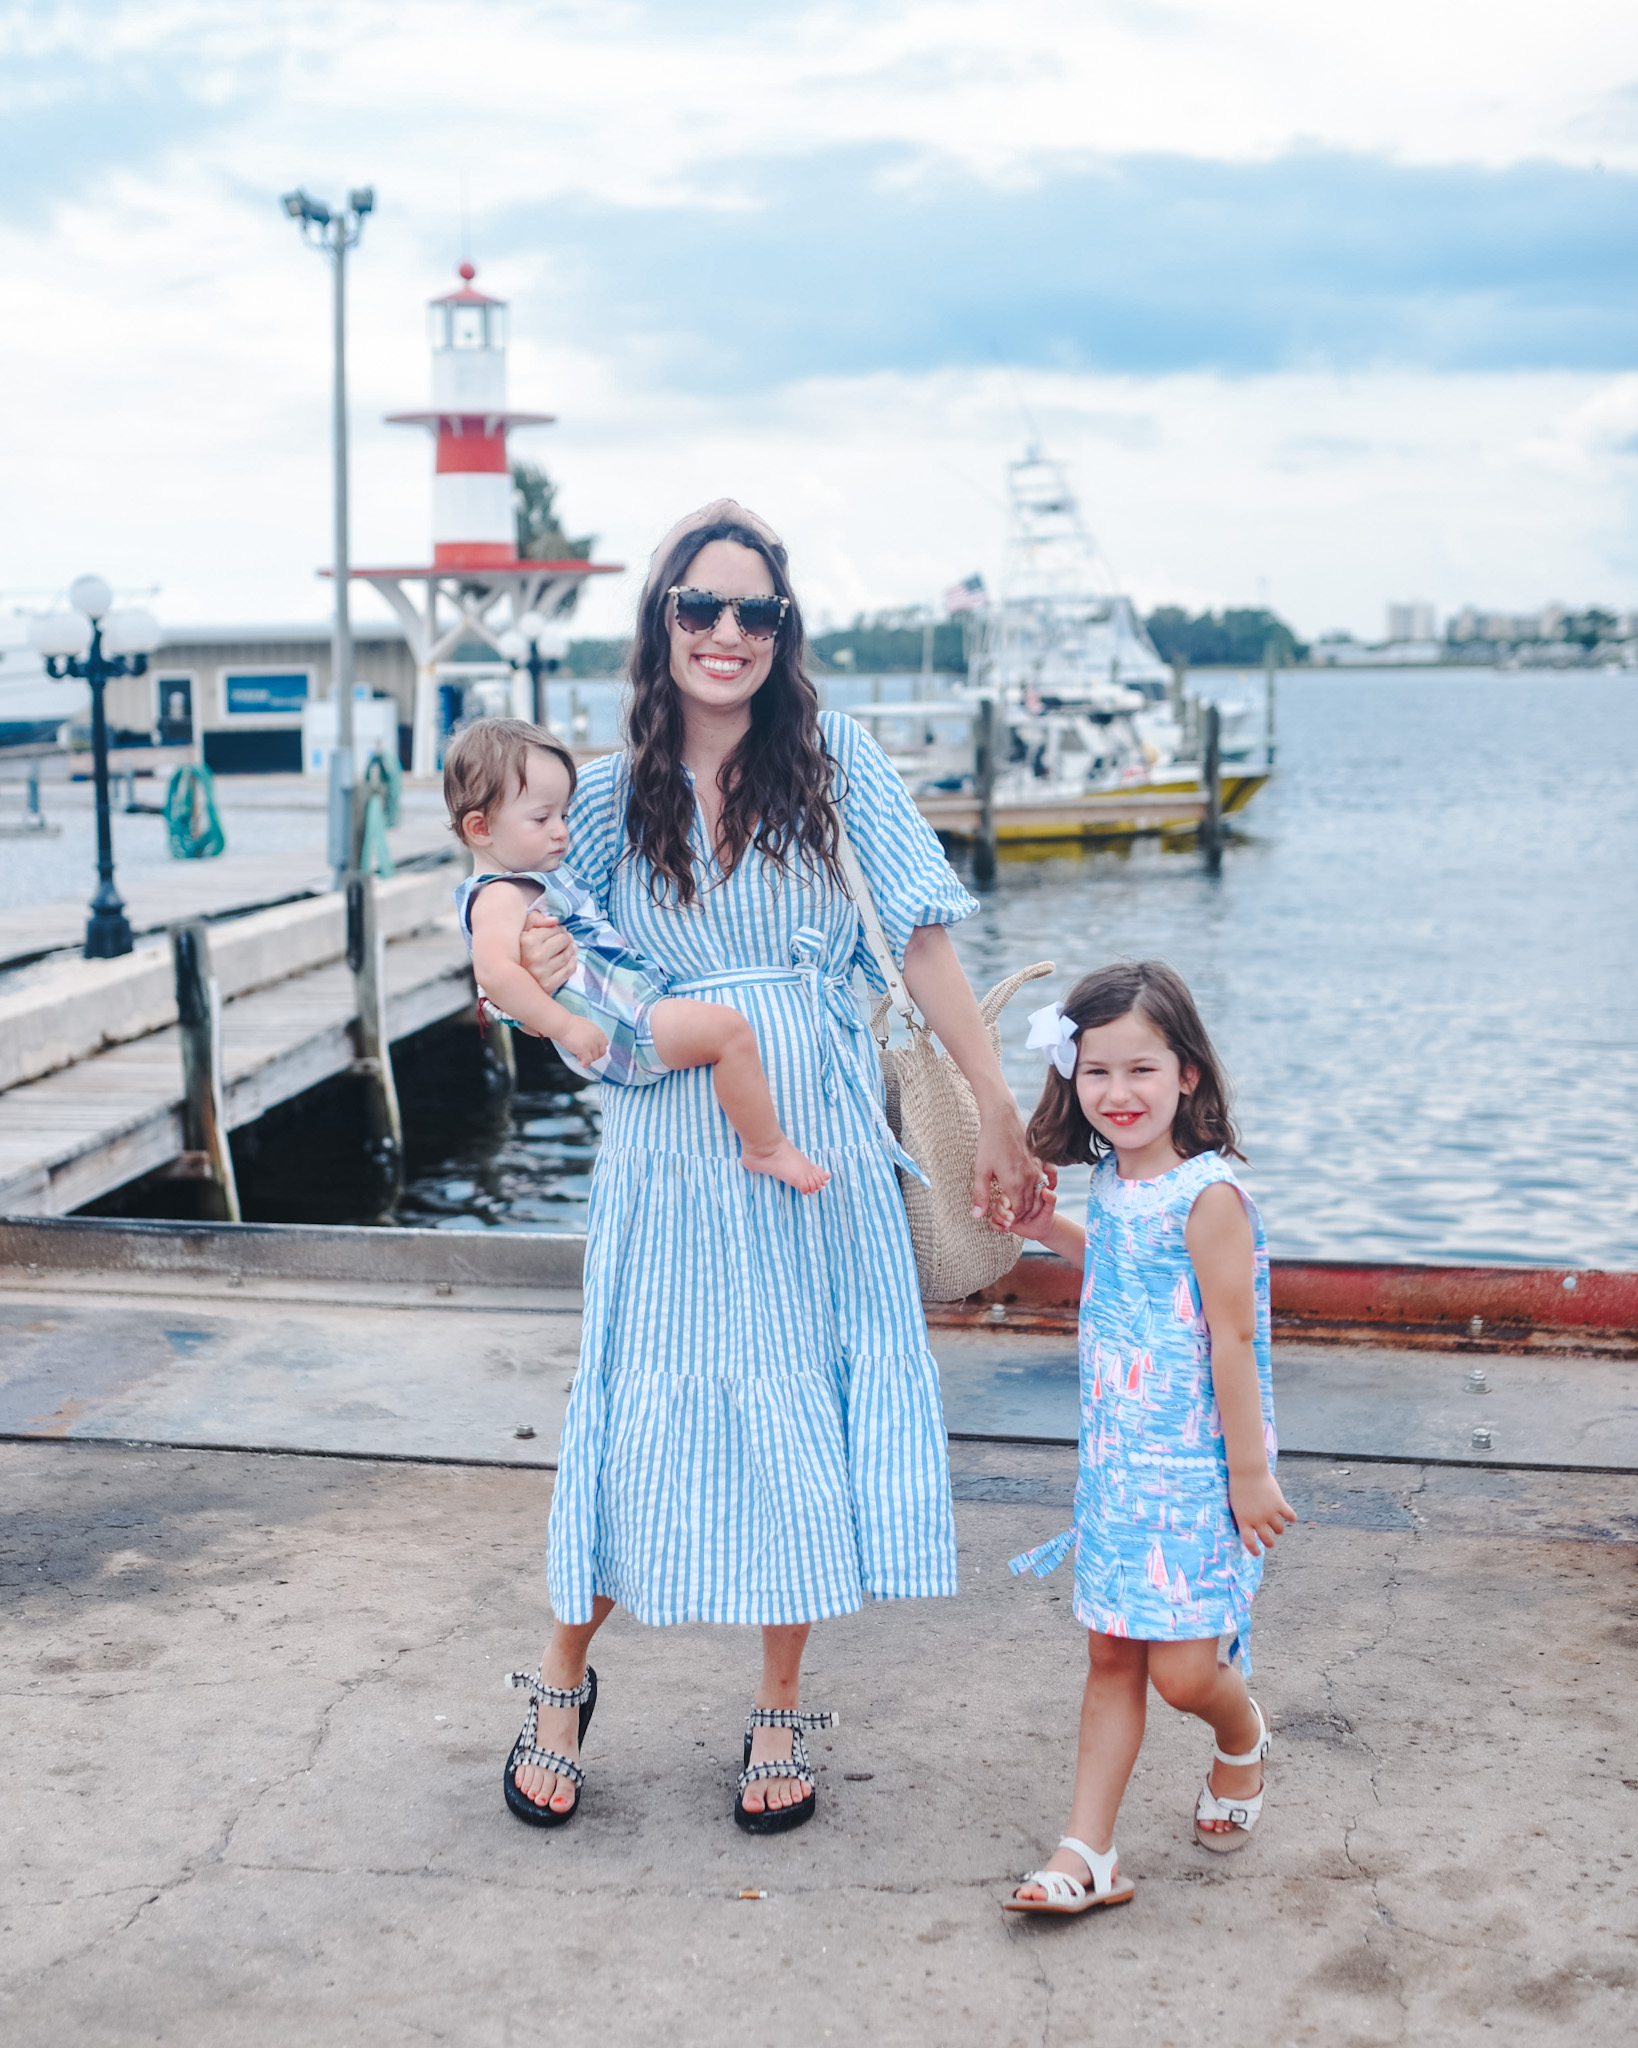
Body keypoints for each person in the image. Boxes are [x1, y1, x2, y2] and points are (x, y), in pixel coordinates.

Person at [499, 499, 1042, 1833]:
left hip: (817, 1124)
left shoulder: (837, 759)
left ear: (782, 632)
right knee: (640, 1401)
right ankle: (563, 1682)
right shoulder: (610, 792)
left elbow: (918, 944)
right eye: (700, 608)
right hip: (671, 1128)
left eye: (754, 612)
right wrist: (555, 991)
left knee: (803, 1397)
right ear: (662, 624)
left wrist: (995, 1104)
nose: (725, 634)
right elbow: (528, 928)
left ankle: (781, 1703)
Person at [998, 960, 1295, 1915]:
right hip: (1119, 1467)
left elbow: (1234, 1336)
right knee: (1113, 1657)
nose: (1119, 1095)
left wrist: (1247, 1476)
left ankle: (1241, 1736)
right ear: (1071, 1079)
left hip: (1200, 1472)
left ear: (1188, 1077)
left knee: (1183, 1674)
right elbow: (1123, 1263)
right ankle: (1087, 1852)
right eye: (1097, 1074)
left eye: (1142, 1071)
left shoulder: (1210, 1196)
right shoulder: (1116, 1183)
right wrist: (1054, 1230)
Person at [444, 716, 829, 1194]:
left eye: (564, 815)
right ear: (480, 828)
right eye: (542, 819)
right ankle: (766, 1148)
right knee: (729, 1032)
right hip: (624, 1028)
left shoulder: (535, 878)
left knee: (725, 1032)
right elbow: (495, 974)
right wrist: (563, 1027)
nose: (562, 831)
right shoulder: (499, 895)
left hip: (628, 1015)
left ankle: (763, 1144)